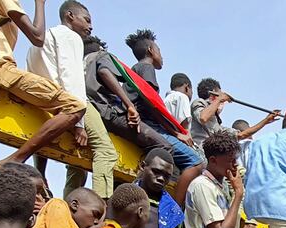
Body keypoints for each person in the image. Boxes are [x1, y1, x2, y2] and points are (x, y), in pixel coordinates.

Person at [0, 0, 86, 166]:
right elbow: (37, 36)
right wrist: (40, 4)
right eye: (87, 20)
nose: (90, 26)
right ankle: (14, 160)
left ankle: (39, 175)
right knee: (75, 106)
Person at [26, 0, 117, 199]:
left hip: (47, 104)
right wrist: (79, 122)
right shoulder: (70, 37)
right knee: (107, 151)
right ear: (70, 16)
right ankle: (102, 204)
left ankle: (71, 206)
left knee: (78, 161)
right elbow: (72, 78)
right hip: (71, 104)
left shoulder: (41, 40)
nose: (90, 26)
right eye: (87, 20)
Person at [125, 29, 204, 202]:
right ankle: (177, 206)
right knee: (197, 163)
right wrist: (176, 133)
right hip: (151, 127)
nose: (162, 56)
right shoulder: (147, 68)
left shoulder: (135, 69)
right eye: (159, 51)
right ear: (151, 51)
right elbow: (151, 105)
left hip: (145, 125)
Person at [83, 36, 174, 170]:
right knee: (165, 148)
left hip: (94, 112)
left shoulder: (82, 64)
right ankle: (139, 188)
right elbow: (150, 101)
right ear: (150, 50)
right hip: (110, 111)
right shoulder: (102, 55)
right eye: (159, 50)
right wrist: (130, 106)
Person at [182, 130, 243, 228]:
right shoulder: (202, 185)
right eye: (230, 160)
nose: (235, 165)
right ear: (214, 160)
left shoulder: (220, 187)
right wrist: (238, 194)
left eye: (236, 159)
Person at [190, 78, 279, 155]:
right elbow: (203, 118)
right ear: (213, 94)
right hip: (197, 154)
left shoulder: (217, 126)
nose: (222, 103)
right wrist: (219, 99)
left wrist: (266, 121)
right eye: (220, 94)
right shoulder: (199, 102)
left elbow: (241, 135)